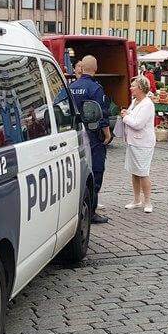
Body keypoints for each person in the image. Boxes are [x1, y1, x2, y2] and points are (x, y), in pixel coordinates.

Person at [68, 55, 111, 224]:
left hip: (74, 135)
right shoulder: (95, 88)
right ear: (95, 68)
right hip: (93, 137)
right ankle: (91, 211)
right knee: (96, 171)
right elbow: (102, 114)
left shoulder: (71, 87)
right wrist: (107, 134)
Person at [120, 76, 156, 213]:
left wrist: (125, 117)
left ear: (140, 88)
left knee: (142, 172)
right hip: (133, 142)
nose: (130, 88)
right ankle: (136, 199)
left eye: (133, 86)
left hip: (143, 143)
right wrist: (127, 113)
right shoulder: (135, 101)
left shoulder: (147, 104)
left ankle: (148, 201)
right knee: (134, 172)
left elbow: (138, 124)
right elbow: (132, 116)